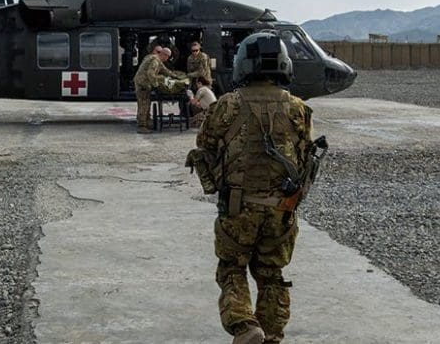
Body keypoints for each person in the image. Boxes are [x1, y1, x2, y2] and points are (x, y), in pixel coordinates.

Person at [195, 33, 313, 344]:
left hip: (238, 206)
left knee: (232, 268)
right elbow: (304, 155)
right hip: (282, 209)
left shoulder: (227, 105)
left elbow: (205, 146)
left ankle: (245, 326)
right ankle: (271, 337)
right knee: (272, 275)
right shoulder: (298, 108)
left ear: (243, 66)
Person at [133, 47, 181, 134]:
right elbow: (150, 74)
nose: (167, 59)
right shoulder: (155, 61)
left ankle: (146, 122)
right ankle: (141, 126)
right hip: (142, 84)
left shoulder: (156, 59)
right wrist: (156, 85)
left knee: (145, 103)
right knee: (144, 105)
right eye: (168, 57)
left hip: (143, 83)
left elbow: (164, 70)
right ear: (165, 55)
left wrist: (174, 76)